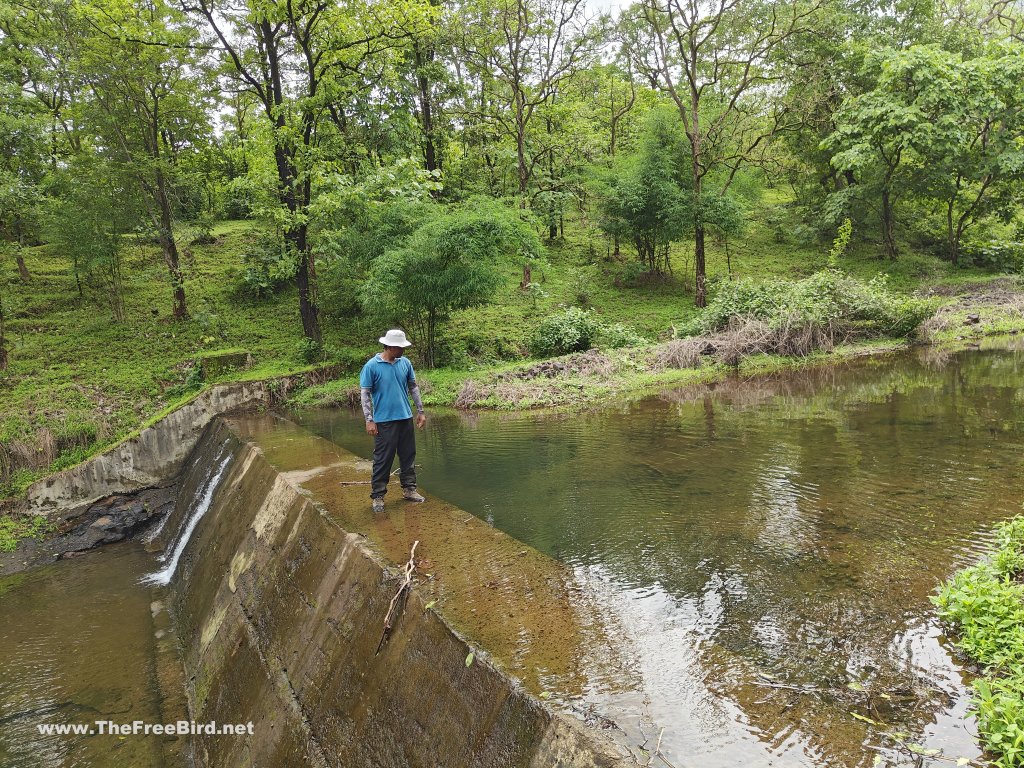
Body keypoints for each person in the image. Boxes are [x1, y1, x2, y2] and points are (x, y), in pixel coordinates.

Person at [359, 329, 427, 513]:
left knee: (408, 455)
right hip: (384, 421)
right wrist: (369, 420)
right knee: (383, 458)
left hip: (405, 417)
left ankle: (409, 489)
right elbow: (365, 394)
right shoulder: (372, 366)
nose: (403, 350)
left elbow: (413, 387)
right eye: (400, 347)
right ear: (389, 346)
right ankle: (378, 495)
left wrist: (420, 411)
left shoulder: (405, 363)